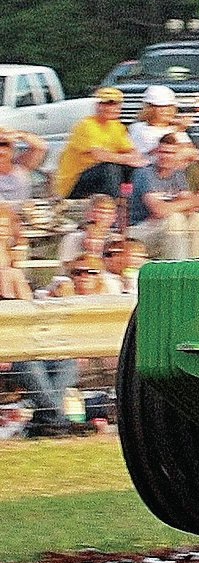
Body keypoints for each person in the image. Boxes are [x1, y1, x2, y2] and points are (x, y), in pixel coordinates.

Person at [0, 208, 78, 436]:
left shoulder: (14, 274)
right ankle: (58, 423)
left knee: (65, 363)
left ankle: (46, 420)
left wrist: (11, 275)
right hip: (9, 352)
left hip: (24, 345)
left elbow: (29, 313)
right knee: (29, 366)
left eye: (5, 227)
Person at [126, 132, 199, 260]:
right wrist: (191, 201)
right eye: (162, 152)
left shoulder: (178, 174)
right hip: (139, 230)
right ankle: (177, 270)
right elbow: (159, 210)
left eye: (170, 153)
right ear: (157, 153)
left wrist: (184, 203)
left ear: (177, 155)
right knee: (175, 219)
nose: (165, 157)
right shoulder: (145, 174)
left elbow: (191, 207)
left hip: (161, 226)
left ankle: (194, 268)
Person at [55, 87, 147, 199]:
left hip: (100, 176)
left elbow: (135, 154)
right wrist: (125, 158)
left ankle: (140, 203)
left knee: (138, 169)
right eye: (107, 104)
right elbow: (99, 156)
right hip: (74, 183)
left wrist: (126, 159)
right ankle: (113, 206)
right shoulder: (86, 125)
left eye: (115, 104)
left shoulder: (117, 126)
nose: (112, 108)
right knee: (109, 168)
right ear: (98, 106)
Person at [56, 193, 119, 266]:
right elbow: (67, 266)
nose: (104, 217)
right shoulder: (72, 238)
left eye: (109, 213)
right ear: (88, 213)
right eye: (100, 212)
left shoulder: (115, 242)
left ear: (114, 217)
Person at [126, 86, 187, 156]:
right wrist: (179, 129)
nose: (166, 111)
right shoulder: (137, 129)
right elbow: (163, 148)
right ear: (149, 108)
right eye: (160, 106)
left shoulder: (177, 131)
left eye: (170, 106)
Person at [0, 128, 47, 202]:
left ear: (11, 149)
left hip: (23, 211)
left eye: (4, 145)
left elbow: (40, 147)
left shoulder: (21, 165)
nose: (1, 150)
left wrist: (19, 134)